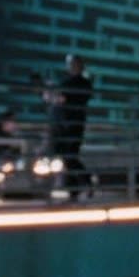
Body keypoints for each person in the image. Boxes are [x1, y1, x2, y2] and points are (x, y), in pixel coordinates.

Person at [45, 54, 94, 198]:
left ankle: (83, 184)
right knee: (68, 157)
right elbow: (58, 98)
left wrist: (54, 96)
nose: (70, 67)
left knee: (69, 156)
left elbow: (61, 98)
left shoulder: (80, 83)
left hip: (71, 125)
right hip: (65, 124)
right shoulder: (71, 82)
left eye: (72, 64)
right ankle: (75, 189)